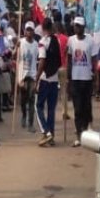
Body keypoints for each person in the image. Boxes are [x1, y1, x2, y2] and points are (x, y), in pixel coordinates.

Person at [67, 16, 97, 147]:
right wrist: (68, 79)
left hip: (87, 79)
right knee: (77, 108)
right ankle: (79, 134)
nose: (76, 28)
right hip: (75, 79)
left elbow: (94, 60)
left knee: (86, 107)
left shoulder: (90, 40)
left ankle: (86, 129)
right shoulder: (71, 40)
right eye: (75, 25)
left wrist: (97, 78)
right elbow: (69, 60)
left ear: (83, 27)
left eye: (79, 26)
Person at [35, 18, 61, 147]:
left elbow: (42, 62)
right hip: (55, 79)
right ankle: (52, 136)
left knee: (38, 106)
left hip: (45, 78)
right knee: (51, 109)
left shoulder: (42, 42)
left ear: (42, 27)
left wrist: (36, 80)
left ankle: (46, 131)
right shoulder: (56, 41)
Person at [16, 22, 39, 133]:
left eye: (30, 30)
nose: (28, 32)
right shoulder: (20, 43)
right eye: (27, 30)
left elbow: (38, 60)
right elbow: (13, 56)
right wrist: (16, 48)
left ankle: (30, 123)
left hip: (32, 76)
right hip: (22, 76)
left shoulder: (36, 45)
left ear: (33, 32)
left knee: (31, 100)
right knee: (23, 100)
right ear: (24, 31)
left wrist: (37, 79)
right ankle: (24, 115)